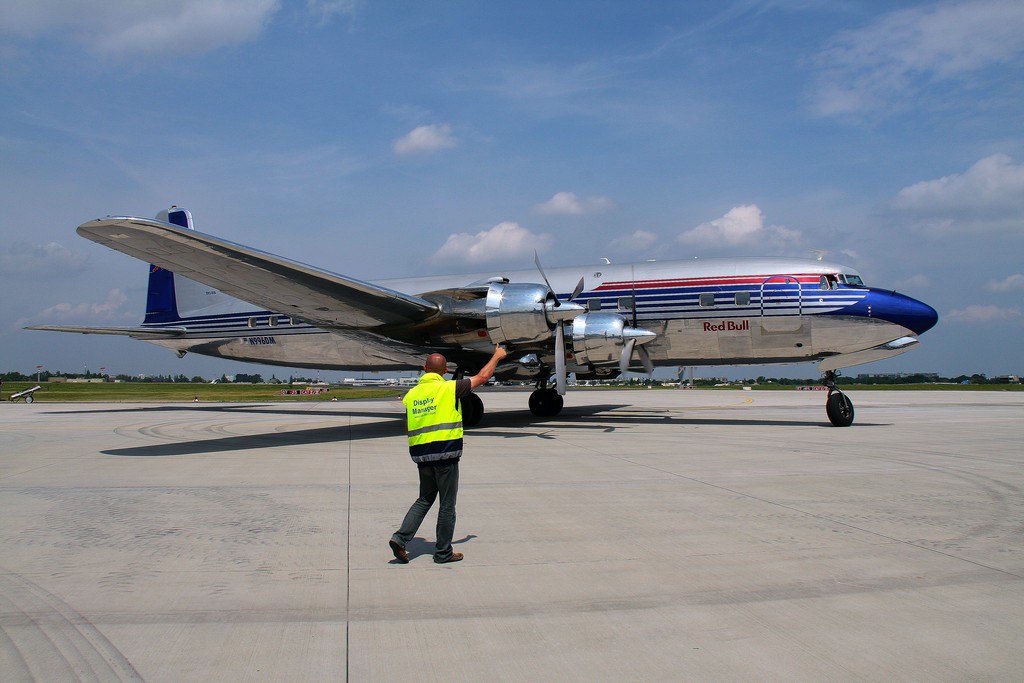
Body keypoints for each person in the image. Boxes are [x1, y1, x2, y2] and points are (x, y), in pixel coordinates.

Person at [390, 345, 507, 564]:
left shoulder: (411, 395)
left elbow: (408, 425)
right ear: (445, 371)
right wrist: (497, 357)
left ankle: (400, 538)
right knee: (447, 505)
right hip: (445, 454)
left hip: (421, 456)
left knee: (424, 499)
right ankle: (443, 552)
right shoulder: (450, 388)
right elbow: (482, 377)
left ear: (424, 369)